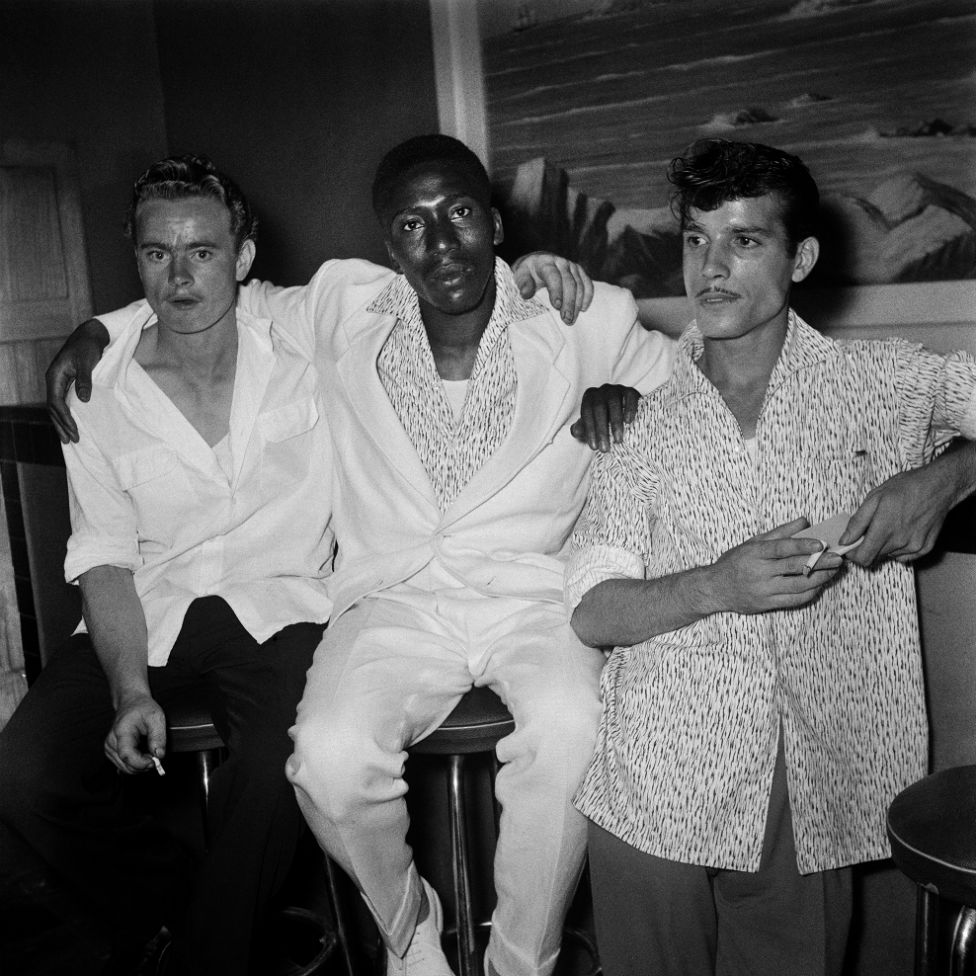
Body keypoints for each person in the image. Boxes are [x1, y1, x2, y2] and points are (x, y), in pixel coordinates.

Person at [565, 138, 976, 976]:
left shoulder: (886, 387)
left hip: (812, 781)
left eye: (744, 240)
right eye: (695, 239)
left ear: (803, 257)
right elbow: (594, 609)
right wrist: (718, 585)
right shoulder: (638, 424)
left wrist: (947, 476)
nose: (710, 267)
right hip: (657, 781)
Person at [0, 155, 336, 975]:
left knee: (277, 760)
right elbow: (106, 560)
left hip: (285, 605)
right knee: (25, 774)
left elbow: (427, 292)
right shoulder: (98, 389)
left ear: (245, 256)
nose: (179, 277)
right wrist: (131, 690)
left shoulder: (305, 338)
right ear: (136, 261)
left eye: (203, 252)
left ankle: (204, 956)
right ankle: (187, 910)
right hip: (148, 611)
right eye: (157, 254)